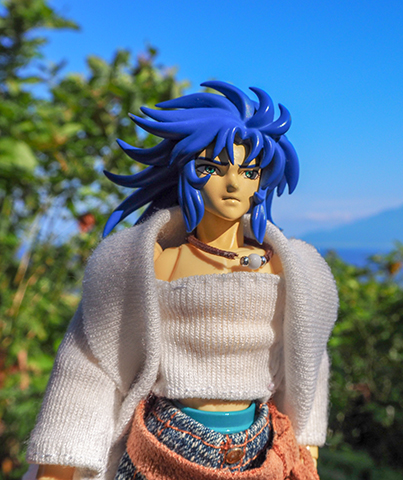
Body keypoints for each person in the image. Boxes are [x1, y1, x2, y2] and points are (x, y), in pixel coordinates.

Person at [24, 81, 338, 480]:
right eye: (212, 168)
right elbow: (91, 364)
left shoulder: (288, 269)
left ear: (262, 181)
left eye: (249, 172)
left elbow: (308, 361)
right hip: (164, 444)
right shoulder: (152, 264)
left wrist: (307, 444)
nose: (233, 184)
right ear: (185, 172)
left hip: (259, 448)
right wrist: (58, 465)